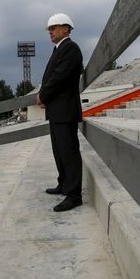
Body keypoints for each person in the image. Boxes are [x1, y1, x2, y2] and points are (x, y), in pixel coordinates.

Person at [36, 13, 84, 212]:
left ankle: (74, 195)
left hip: (65, 110)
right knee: (59, 151)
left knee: (69, 152)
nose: (50, 31)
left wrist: (42, 95)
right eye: (49, 29)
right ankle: (64, 183)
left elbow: (59, 77)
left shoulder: (70, 48)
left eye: (54, 28)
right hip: (58, 111)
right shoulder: (59, 49)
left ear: (66, 29)